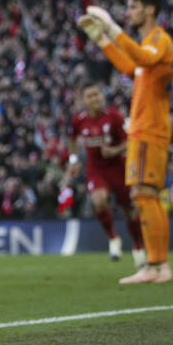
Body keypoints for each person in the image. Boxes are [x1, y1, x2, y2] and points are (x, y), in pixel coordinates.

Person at [78, 0, 173, 284]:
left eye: (133, 6)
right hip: (143, 129)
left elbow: (142, 58)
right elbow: (128, 65)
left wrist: (111, 26)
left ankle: (158, 265)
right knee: (143, 195)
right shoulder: (147, 45)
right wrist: (100, 38)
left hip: (150, 129)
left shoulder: (159, 39)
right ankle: (156, 266)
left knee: (145, 195)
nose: (129, 11)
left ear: (149, 9)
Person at [64, 82, 146, 267]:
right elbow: (73, 140)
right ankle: (113, 239)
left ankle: (138, 247)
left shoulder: (114, 117)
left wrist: (115, 150)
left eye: (97, 95)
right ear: (84, 100)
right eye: (91, 96)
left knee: (129, 211)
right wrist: (73, 160)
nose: (95, 99)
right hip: (95, 169)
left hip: (118, 168)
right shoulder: (79, 120)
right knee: (98, 201)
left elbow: (129, 141)